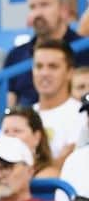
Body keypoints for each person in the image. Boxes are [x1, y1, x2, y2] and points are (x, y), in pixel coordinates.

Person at [3, 0, 89, 107]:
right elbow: (8, 105)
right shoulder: (16, 55)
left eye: (44, 5)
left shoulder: (85, 50)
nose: (37, 13)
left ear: (64, 10)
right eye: (32, 7)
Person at [31, 40, 82, 169]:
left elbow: (73, 167)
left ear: (70, 72)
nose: (44, 73)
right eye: (39, 66)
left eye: (53, 66)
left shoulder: (83, 116)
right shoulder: (20, 117)